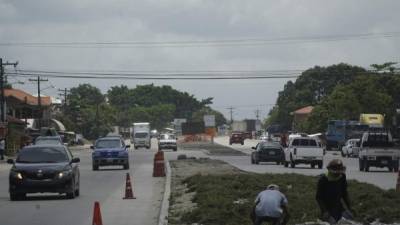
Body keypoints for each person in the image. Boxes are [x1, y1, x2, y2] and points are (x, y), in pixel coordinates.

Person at [316, 159, 353, 224]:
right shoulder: (323, 180)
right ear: (330, 171)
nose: (338, 174)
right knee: (333, 222)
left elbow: (344, 193)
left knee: (350, 218)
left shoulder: (342, 177)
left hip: (339, 207)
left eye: (339, 171)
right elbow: (319, 198)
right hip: (328, 209)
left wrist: (350, 207)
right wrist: (325, 211)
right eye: (336, 172)